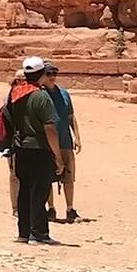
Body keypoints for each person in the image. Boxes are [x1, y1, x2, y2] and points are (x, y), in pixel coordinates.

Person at [9, 56, 60, 244]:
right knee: (39, 191)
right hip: (39, 149)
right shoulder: (41, 97)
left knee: (24, 190)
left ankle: (24, 232)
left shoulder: (16, 94)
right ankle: (38, 233)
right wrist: (58, 156)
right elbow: (50, 128)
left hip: (20, 148)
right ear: (41, 74)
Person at [42, 63, 81, 222]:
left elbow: (71, 116)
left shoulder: (64, 94)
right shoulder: (41, 95)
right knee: (47, 177)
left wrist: (77, 137)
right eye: (49, 74)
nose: (52, 77)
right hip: (47, 143)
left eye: (54, 73)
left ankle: (70, 208)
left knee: (69, 176)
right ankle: (50, 208)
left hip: (65, 141)